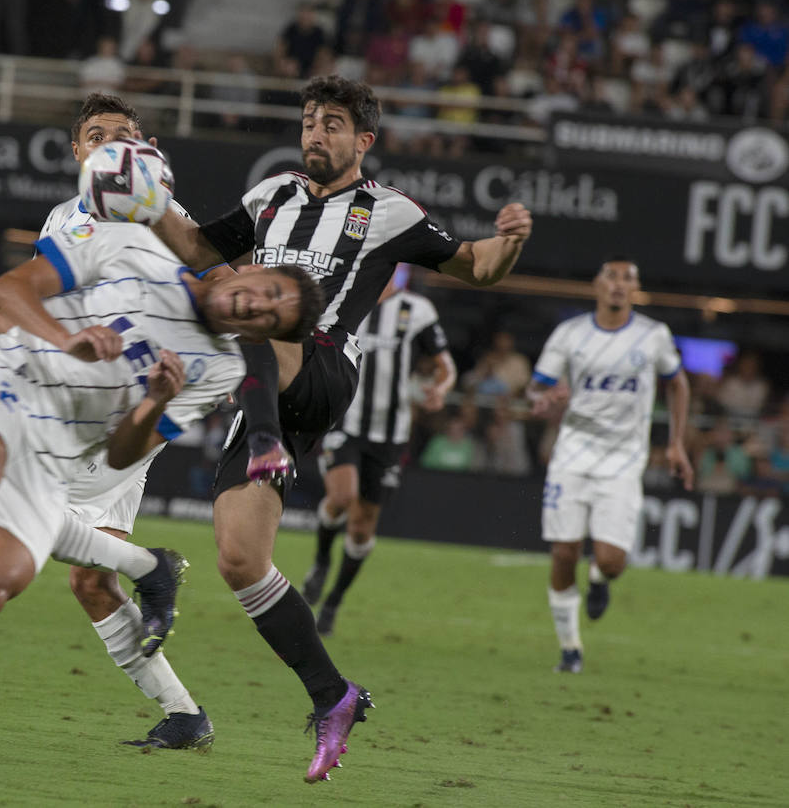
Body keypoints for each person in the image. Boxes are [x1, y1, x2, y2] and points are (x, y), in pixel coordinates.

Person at [0, 220, 323, 785]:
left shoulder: (220, 366)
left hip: (59, 449)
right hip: (8, 379)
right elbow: (11, 288)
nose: (257, 308)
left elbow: (125, 454)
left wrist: (154, 403)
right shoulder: (135, 247)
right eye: (270, 291)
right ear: (251, 268)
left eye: (272, 319)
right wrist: (66, 341)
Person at [148, 74, 532, 782]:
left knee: (256, 305)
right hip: (263, 387)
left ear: (363, 141)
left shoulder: (387, 212)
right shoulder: (272, 198)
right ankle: (334, 696)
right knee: (239, 559)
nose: (315, 133)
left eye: (331, 124)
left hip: (322, 370)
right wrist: (148, 197)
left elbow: (476, 266)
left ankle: (263, 441)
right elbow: (199, 249)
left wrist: (507, 242)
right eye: (308, 122)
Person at [0, 93, 214, 751]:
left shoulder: (162, 215)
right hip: (81, 393)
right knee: (89, 580)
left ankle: (152, 568)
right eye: (97, 134)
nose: (111, 143)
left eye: (124, 134)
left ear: (143, 153)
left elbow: (207, 298)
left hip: (123, 404)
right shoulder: (63, 219)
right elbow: (63, 324)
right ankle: (184, 715)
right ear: (78, 152)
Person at [527, 257, 693, 675]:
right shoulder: (570, 334)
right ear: (597, 285)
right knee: (564, 551)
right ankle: (570, 649)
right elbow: (536, 388)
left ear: (636, 289)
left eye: (628, 279)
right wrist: (545, 398)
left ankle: (600, 579)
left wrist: (676, 443)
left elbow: (677, 382)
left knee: (612, 561)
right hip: (573, 455)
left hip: (623, 461)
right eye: (612, 277)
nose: (619, 285)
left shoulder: (653, 335)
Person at [302, 264, 456, 635]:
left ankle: (335, 600)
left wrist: (441, 387)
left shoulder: (417, 310)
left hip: (391, 435)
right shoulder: (345, 301)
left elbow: (444, 365)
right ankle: (321, 560)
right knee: (342, 496)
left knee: (362, 525)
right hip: (345, 422)